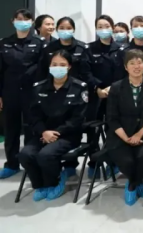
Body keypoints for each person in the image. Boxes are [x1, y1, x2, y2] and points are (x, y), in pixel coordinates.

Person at [19, 50, 88, 201]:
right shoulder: (39, 87)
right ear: (49, 66)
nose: (58, 68)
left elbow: (77, 118)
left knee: (46, 155)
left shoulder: (79, 87)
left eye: (62, 65)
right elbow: (33, 115)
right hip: (43, 134)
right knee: (25, 154)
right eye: (54, 64)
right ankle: (39, 185)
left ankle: (54, 181)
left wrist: (56, 133)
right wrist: (44, 132)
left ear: (69, 66)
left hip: (68, 135)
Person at [105, 49, 143, 206]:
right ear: (126, 67)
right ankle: (136, 182)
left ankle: (132, 184)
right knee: (127, 160)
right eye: (132, 63)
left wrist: (140, 133)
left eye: (139, 63)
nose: (136, 66)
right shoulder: (116, 87)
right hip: (120, 135)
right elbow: (111, 118)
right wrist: (126, 138)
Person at [0, 9, 45, 179]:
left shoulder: (39, 43)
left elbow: (43, 70)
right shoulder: (4, 43)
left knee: (32, 128)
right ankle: (11, 164)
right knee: (10, 129)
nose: (23, 21)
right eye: (19, 19)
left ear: (32, 22)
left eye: (26, 19)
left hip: (32, 92)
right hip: (10, 92)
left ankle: (30, 162)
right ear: (12, 21)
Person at [86, 15, 123, 178]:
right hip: (95, 96)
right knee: (93, 131)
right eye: (100, 26)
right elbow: (85, 72)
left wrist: (112, 88)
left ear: (112, 27)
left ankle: (112, 162)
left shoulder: (121, 49)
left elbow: (123, 73)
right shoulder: (89, 49)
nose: (103, 29)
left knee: (113, 131)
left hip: (115, 96)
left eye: (106, 26)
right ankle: (93, 163)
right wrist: (98, 88)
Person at [37, 16, 93, 88]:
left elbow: (86, 72)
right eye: (62, 28)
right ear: (57, 29)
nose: (65, 31)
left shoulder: (82, 48)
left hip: (76, 87)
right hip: (52, 87)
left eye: (69, 28)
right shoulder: (48, 48)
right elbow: (42, 71)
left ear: (73, 30)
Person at [114, 16, 143, 80]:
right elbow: (119, 74)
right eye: (135, 26)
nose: (139, 28)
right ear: (131, 29)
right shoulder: (123, 51)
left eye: (142, 26)